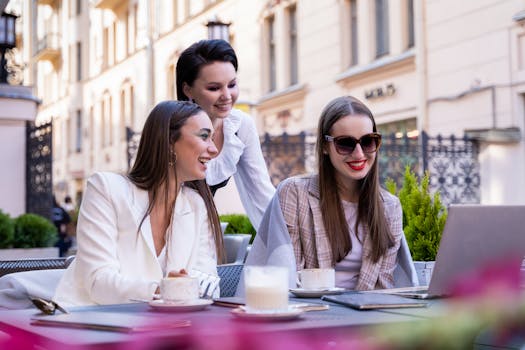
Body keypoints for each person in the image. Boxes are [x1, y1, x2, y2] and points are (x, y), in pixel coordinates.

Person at [54, 101, 225, 306]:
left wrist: (179, 289)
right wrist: (164, 289)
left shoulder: (196, 205)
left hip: (161, 328)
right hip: (89, 323)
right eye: (204, 136)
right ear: (170, 142)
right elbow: (98, 281)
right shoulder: (106, 188)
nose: (214, 149)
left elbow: (208, 284)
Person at [246, 96, 416, 291]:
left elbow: (383, 285)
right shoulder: (294, 193)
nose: (359, 154)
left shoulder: (389, 206)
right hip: (311, 314)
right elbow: (289, 277)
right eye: (345, 144)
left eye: (368, 141)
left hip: (367, 313)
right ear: (325, 146)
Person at [176, 39, 275, 231]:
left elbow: (262, 194)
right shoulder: (170, 130)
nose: (227, 96)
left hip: (203, 236)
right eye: (214, 88)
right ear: (187, 89)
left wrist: (292, 244)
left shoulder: (240, 125)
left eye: (232, 84)